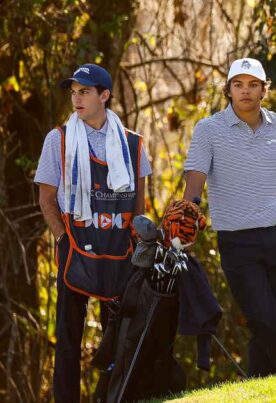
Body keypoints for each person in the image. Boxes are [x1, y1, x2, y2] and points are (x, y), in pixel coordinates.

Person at [182, 58, 276, 376]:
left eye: (253, 84)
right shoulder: (209, 129)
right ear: (228, 90)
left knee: (272, 322)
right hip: (236, 240)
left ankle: (261, 386)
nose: (246, 91)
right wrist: (188, 214)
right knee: (263, 317)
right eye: (238, 85)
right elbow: (195, 178)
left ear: (264, 90)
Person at [34, 63, 152, 402]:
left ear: (104, 95)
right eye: (73, 92)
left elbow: (139, 206)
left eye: (84, 91)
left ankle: (112, 397)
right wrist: (60, 237)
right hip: (75, 249)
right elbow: (46, 197)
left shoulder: (134, 144)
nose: (76, 98)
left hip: (119, 251)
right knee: (69, 340)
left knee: (118, 339)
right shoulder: (57, 140)